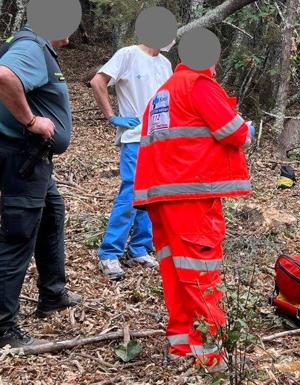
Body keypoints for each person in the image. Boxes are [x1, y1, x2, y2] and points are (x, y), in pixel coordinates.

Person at [133, 61, 253, 369]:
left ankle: (182, 345)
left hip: (161, 196)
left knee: (176, 272)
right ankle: (211, 354)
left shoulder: (163, 93)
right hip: (191, 195)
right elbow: (235, 132)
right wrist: (247, 129)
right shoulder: (198, 86)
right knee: (201, 273)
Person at [0, 26, 82, 348]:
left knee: (52, 212)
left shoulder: (31, 45)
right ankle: (4, 328)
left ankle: (52, 292)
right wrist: (32, 121)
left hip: (28, 159)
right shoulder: (33, 45)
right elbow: (5, 77)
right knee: (18, 236)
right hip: (23, 157)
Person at [89, 42, 173, 280]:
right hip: (135, 138)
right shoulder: (128, 54)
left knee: (151, 195)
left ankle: (139, 248)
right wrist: (112, 117)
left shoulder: (166, 64)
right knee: (131, 192)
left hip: (160, 140)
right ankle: (109, 253)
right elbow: (98, 81)